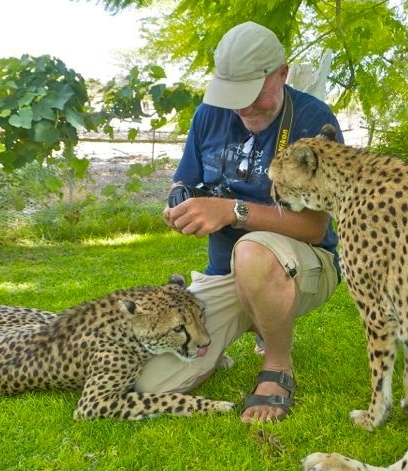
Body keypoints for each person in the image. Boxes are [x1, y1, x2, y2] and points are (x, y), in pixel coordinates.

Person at [135, 21, 343, 423]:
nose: (244, 108)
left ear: (281, 73)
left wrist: (233, 211)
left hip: (303, 265)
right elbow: (186, 179)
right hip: (225, 272)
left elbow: (315, 228)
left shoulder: (313, 121)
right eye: (234, 96)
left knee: (252, 252)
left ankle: (277, 367)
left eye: (254, 94)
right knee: (149, 382)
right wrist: (180, 200)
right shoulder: (208, 115)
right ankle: (240, 323)